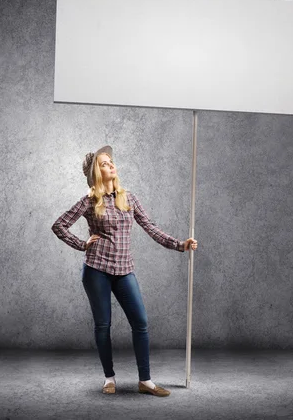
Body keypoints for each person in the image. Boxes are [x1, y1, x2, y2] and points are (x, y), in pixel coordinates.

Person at [51, 145, 198, 397]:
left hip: (124, 270)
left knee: (140, 322)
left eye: (111, 162)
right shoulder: (89, 201)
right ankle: (109, 378)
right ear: (97, 172)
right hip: (96, 270)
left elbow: (150, 227)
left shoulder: (128, 198)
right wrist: (82, 244)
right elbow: (59, 225)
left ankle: (146, 381)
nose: (111, 165)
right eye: (105, 163)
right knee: (103, 325)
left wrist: (179, 245)